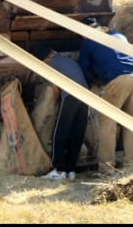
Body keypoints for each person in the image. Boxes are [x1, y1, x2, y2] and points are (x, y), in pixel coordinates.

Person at [78, 17, 133, 174]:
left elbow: (84, 68)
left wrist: (90, 84)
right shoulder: (118, 35)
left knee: (108, 124)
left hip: (117, 79)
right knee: (131, 124)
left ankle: (106, 168)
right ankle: (131, 166)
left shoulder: (88, 41)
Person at [33, 44, 89, 181]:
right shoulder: (65, 59)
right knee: (76, 134)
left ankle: (58, 171)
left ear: (44, 60)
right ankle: (71, 171)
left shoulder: (50, 65)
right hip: (86, 98)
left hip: (70, 97)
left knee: (60, 132)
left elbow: (56, 90)